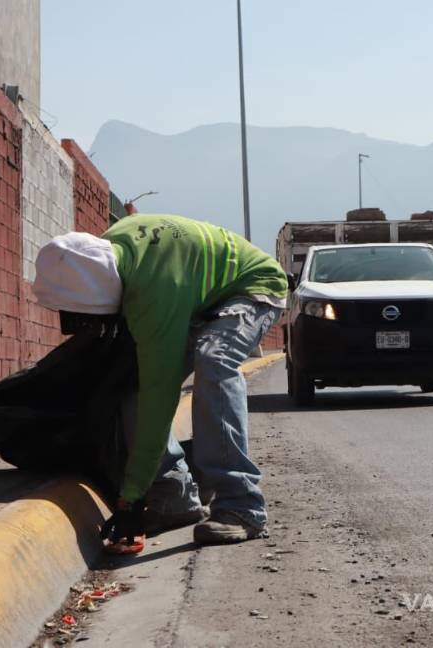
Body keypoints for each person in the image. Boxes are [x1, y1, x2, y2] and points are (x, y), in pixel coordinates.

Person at [33, 214, 286, 545]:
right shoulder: (105, 253)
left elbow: (160, 397)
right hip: (196, 297)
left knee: (215, 360)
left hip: (252, 286)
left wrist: (131, 498)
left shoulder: (152, 293)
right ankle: (174, 496)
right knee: (132, 386)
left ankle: (242, 506)